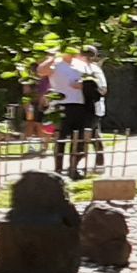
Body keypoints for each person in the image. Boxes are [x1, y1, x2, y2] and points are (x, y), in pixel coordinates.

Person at [38, 47, 93, 178]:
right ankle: (58, 169)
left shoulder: (81, 64)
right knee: (60, 139)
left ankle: (73, 168)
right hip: (60, 105)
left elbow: (91, 80)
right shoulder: (56, 63)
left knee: (79, 139)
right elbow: (41, 71)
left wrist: (83, 85)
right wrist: (52, 56)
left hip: (79, 104)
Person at [77, 46, 108, 175]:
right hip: (83, 106)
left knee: (88, 135)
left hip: (92, 107)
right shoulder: (81, 68)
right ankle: (98, 162)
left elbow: (103, 89)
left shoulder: (94, 70)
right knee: (93, 134)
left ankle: (79, 161)